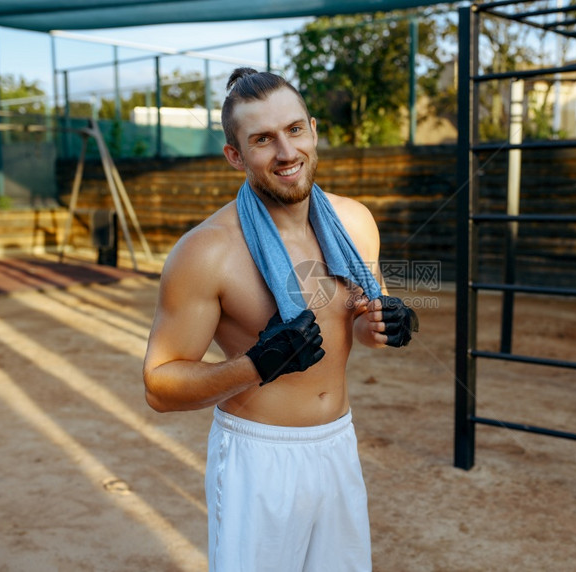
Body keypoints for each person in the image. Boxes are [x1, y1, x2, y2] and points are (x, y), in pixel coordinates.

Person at [142, 67, 418, 572]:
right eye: (263, 140)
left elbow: (354, 323)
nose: (287, 153)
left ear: (312, 129)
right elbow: (159, 386)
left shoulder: (355, 221)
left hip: (338, 443)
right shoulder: (207, 252)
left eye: (294, 130)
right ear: (235, 155)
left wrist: (379, 326)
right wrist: (256, 364)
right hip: (259, 458)